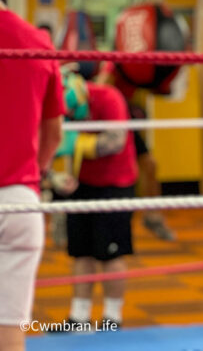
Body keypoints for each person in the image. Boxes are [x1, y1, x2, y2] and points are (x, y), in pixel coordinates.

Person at [0, 0, 65, 351]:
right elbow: (54, 132)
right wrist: (32, 175)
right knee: (9, 328)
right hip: (20, 200)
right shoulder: (36, 40)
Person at [57, 69, 138, 329]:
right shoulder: (62, 106)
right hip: (83, 182)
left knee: (110, 254)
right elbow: (59, 140)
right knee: (80, 252)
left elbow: (116, 141)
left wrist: (80, 144)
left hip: (115, 184)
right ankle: (79, 318)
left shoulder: (110, 98)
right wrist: (62, 174)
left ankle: (112, 318)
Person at [95, 62, 175, 240]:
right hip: (111, 120)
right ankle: (64, 218)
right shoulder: (115, 63)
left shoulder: (137, 65)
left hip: (126, 117)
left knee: (150, 165)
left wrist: (163, 81)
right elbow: (100, 88)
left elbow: (157, 89)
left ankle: (153, 216)